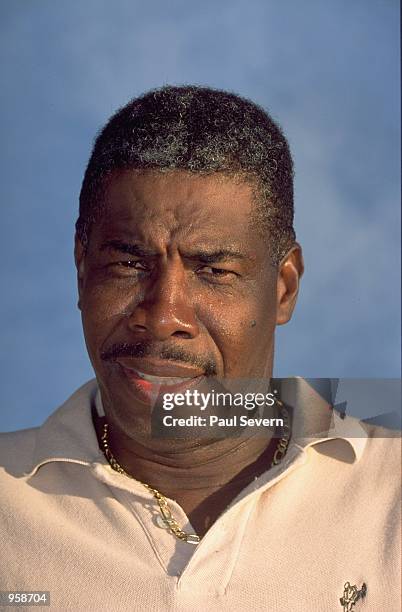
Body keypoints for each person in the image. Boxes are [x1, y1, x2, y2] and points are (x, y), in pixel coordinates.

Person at [0, 86, 400, 611]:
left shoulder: (390, 494)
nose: (164, 316)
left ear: (283, 288)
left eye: (214, 271)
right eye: (128, 264)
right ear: (81, 269)